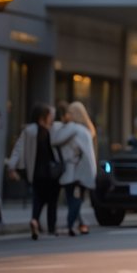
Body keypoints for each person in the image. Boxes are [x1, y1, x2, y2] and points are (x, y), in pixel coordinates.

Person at [7, 103, 63, 239]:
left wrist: (11, 166)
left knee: (38, 199)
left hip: (36, 173)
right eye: (49, 116)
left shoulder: (29, 131)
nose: (51, 118)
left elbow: (18, 149)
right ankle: (51, 228)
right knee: (52, 202)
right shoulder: (52, 131)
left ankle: (34, 220)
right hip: (51, 174)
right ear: (42, 117)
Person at [54, 101, 98, 235]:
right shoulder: (87, 130)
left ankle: (70, 224)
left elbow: (57, 141)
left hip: (74, 170)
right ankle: (81, 223)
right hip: (83, 171)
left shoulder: (74, 129)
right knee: (76, 199)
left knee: (73, 199)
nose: (67, 115)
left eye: (70, 113)